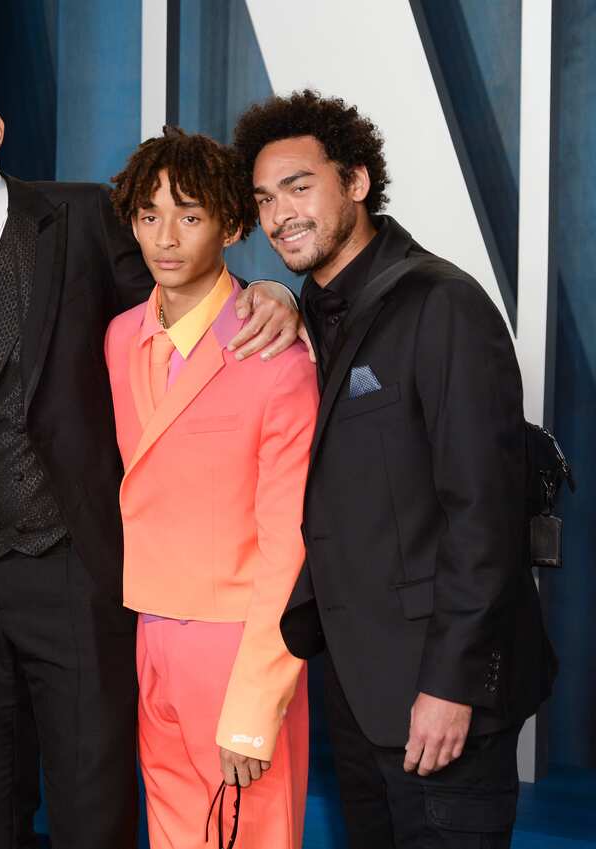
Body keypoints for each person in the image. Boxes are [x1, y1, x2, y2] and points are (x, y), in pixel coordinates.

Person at [0, 57, 303, 848]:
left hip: (76, 565)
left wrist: (273, 292)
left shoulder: (85, 216)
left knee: (90, 809)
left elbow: (182, 297)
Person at [233, 90, 557, 848]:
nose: (279, 215)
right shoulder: (308, 313)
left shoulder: (443, 303)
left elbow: (484, 515)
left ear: (356, 181)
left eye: (298, 186)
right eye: (264, 198)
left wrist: (451, 685)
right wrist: (277, 294)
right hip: (356, 692)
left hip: (441, 695)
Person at [104, 127, 317, 849]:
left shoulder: (276, 354)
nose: (165, 237)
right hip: (149, 628)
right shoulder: (120, 337)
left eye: (189, 216)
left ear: (230, 225)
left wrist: (257, 700)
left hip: (239, 643)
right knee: (171, 832)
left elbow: (287, 545)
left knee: (249, 834)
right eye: (149, 215)